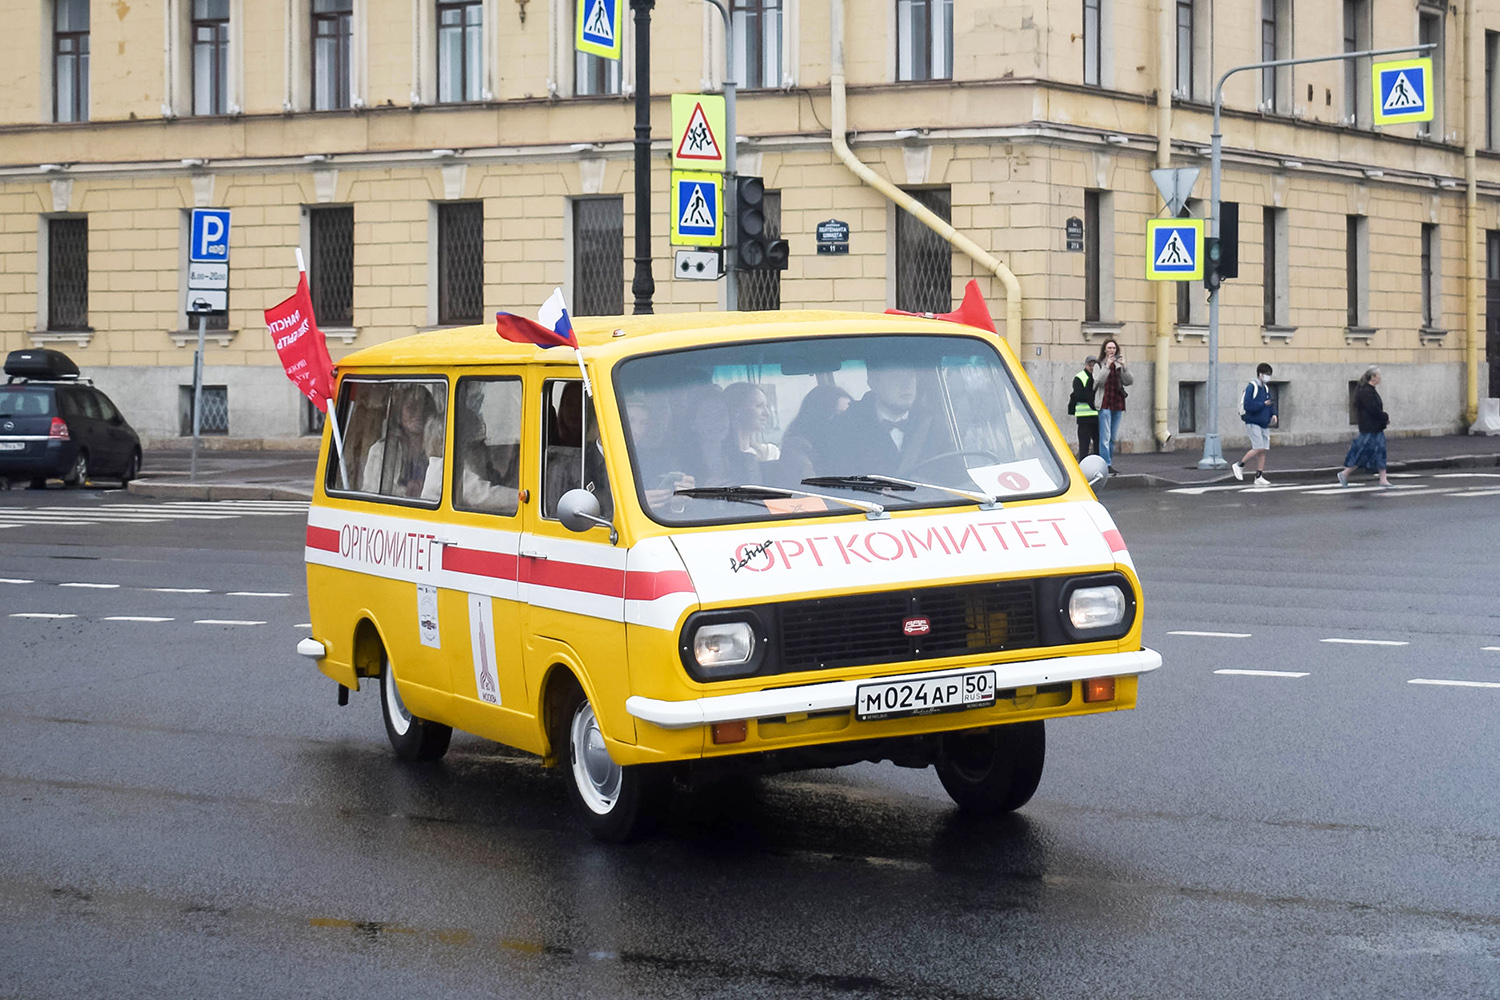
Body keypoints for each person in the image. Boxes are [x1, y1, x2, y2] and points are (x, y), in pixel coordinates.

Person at [778, 383, 853, 481]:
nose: (846, 420)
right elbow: (808, 487)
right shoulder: (797, 447)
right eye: (839, 415)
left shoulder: (853, 444)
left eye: (849, 415)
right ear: (820, 417)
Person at [1339, 366, 1392, 488]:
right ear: (1373, 377)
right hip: (1370, 429)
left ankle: (1383, 479)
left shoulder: (1368, 390)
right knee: (1363, 452)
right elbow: (1373, 409)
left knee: (1380, 452)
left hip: (1375, 428)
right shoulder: (1366, 392)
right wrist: (1385, 417)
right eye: (1378, 375)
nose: (1380, 378)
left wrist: (1383, 418)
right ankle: (1344, 473)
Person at [723, 382, 781, 484]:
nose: (767, 413)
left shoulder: (770, 453)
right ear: (737, 410)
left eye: (766, 406)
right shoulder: (721, 459)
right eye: (759, 406)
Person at [1232, 363, 1278, 487]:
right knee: (1258, 447)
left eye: (1269, 375)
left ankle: (1259, 476)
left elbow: (1270, 403)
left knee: (1263, 450)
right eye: (1266, 374)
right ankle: (1239, 464)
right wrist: (1262, 404)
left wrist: (1273, 414)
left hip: (1264, 423)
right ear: (1260, 374)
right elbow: (1248, 405)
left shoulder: (1266, 388)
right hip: (1253, 422)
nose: (1268, 377)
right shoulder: (1252, 387)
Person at [1096, 337, 1131, 474]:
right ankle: (1105, 465)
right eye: (1109, 348)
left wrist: (1125, 367)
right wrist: (1106, 366)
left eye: (1114, 348)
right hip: (1104, 403)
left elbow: (1128, 381)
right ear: (1104, 350)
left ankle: (1109, 463)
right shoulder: (1099, 364)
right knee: (1105, 437)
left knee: (1112, 437)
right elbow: (1097, 381)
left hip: (1117, 403)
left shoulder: (1118, 366)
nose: (1111, 350)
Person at [1067, 355, 1099, 460]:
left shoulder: (1099, 376)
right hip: (1084, 417)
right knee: (1084, 445)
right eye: (1090, 365)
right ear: (1086, 365)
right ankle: (1083, 466)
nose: (1092, 367)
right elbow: (1079, 395)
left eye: (1094, 365)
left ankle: (1098, 465)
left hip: (1098, 416)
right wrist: (1091, 393)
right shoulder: (1080, 377)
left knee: (1098, 444)